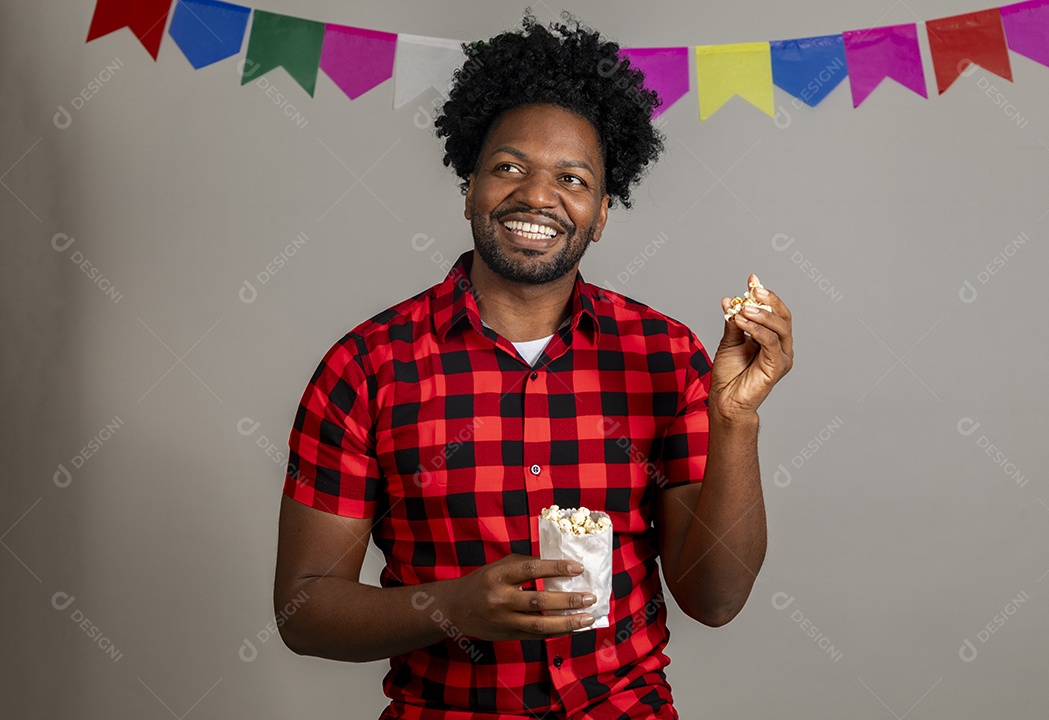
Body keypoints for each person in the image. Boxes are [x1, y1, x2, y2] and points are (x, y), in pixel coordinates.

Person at [274, 15, 794, 719]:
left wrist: (735, 419)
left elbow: (716, 599)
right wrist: (449, 607)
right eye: (509, 167)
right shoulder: (366, 368)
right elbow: (303, 611)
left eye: (572, 178)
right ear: (469, 189)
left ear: (602, 213)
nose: (537, 195)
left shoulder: (666, 357)